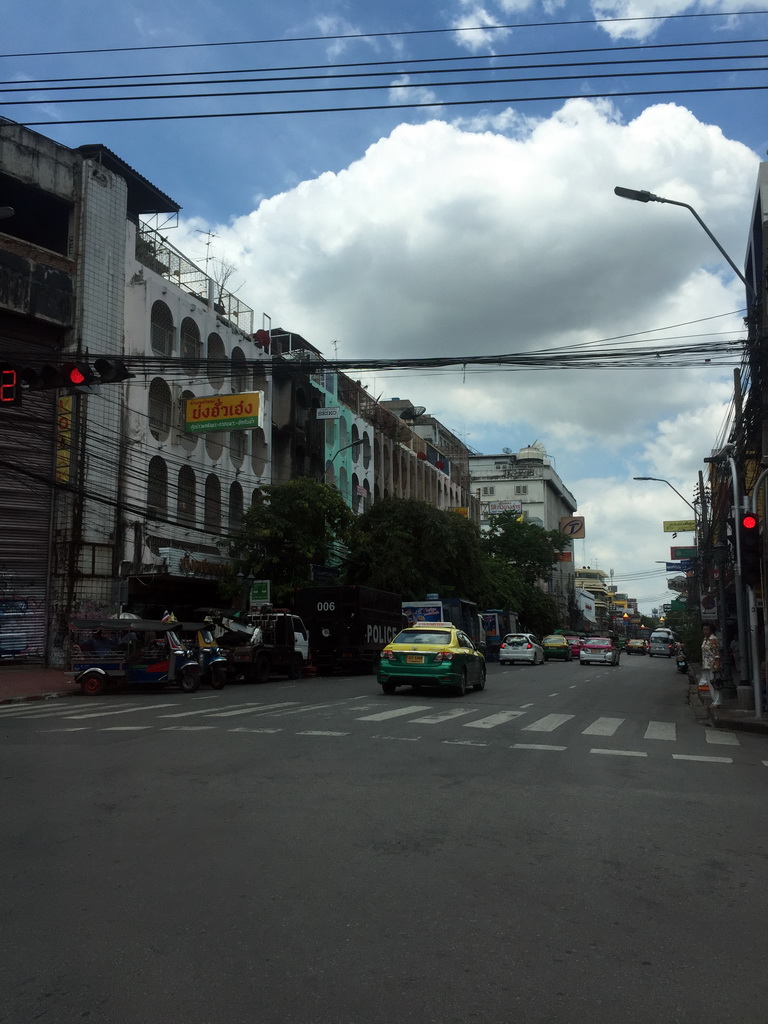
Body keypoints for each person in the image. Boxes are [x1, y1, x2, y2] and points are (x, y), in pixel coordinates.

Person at [701, 623, 722, 707]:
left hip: (713, 664)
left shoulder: (713, 639)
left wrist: (717, 664)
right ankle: (714, 700)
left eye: (707, 629)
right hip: (706, 664)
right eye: (704, 630)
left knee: (715, 683)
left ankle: (718, 701)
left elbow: (717, 652)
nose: (705, 631)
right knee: (710, 683)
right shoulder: (705, 639)